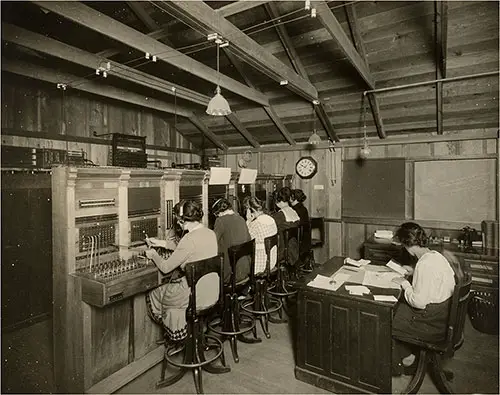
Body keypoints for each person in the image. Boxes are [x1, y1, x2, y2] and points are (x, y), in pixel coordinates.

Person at [144, 200, 219, 342]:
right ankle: (186, 332)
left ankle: (175, 335)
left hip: (194, 296)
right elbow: (188, 249)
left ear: (183, 220)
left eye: (179, 221)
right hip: (211, 292)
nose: (178, 224)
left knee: (153, 294)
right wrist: (162, 243)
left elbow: (165, 268)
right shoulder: (210, 233)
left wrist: (153, 254)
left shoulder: (188, 239)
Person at [391, 222, 456, 376]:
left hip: (433, 323)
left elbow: (418, 303)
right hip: (444, 316)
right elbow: (433, 280)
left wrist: (404, 284)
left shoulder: (425, 265)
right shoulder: (435, 256)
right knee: (398, 310)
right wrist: (413, 271)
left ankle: (399, 366)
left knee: (385, 319)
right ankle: (409, 357)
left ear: (407, 245)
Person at [212, 197, 252, 284]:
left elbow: (212, 242)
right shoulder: (241, 219)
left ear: (219, 212)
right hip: (246, 270)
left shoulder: (220, 220)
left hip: (231, 275)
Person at [242, 195, 278, 274]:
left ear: (250, 210)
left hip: (260, 265)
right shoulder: (271, 219)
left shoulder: (256, 224)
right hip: (272, 260)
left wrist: (248, 221)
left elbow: (245, 240)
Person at [272, 187, 300, 266]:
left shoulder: (280, 214)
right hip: (294, 248)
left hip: (283, 250)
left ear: (277, 201)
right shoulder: (293, 211)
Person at [290, 189, 311, 258]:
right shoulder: (303, 208)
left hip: (299, 240)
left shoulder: (294, 210)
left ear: (293, 198)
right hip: (305, 239)